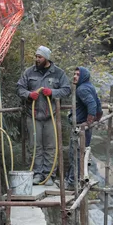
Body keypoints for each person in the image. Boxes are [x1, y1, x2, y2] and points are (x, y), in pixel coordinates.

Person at [17, 46, 71, 185]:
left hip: (50, 116)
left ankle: (49, 175)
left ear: (46, 58)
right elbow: (20, 88)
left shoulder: (58, 73)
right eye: (36, 56)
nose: (37, 59)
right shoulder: (29, 72)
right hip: (33, 116)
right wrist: (29, 94)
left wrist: (52, 92)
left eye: (39, 57)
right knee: (35, 146)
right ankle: (37, 174)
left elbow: (66, 89)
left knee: (50, 147)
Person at [66, 67, 102, 188]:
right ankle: (75, 179)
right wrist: (97, 117)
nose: (75, 76)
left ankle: (72, 181)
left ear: (83, 76)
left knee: (75, 154)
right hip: (84, 127)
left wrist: (88, 122)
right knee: (81, 153)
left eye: (78, 74)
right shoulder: (89, 86)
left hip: (80, 126)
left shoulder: (82, 89)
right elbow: (98, 103)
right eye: (74, 74)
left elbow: (92, 104)